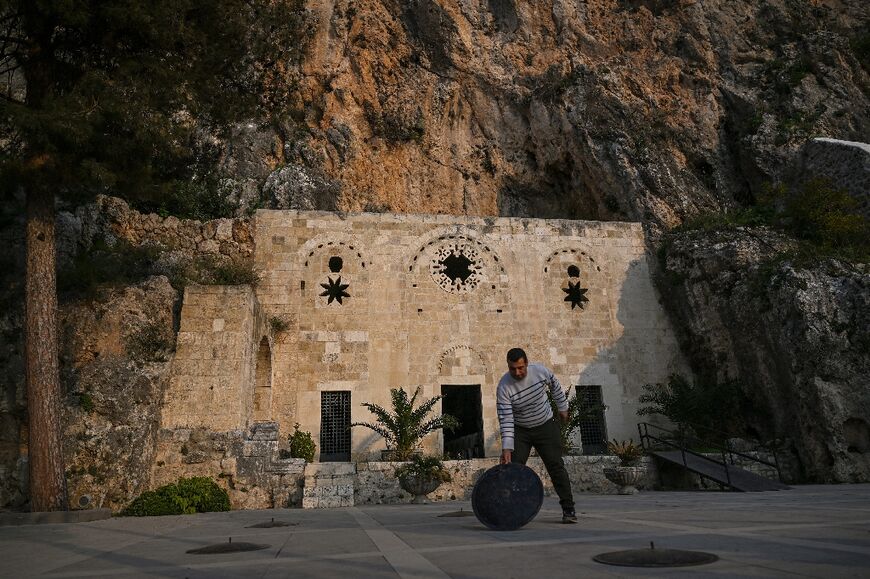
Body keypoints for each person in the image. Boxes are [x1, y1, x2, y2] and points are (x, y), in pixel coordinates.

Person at [496, 347, 577, 523]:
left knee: (556, 466)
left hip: (545, 426)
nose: (517, 373)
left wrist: (563, 407)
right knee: (513, 469)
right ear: (508, 366)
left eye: (520, 368)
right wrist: (507, 447)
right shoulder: (504, 387)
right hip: (521, 430)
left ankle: (568, 509)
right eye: (512, 369)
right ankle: (511, 511)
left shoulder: (540, 372)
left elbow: (555, 386)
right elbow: (506, 418)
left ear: (527, 363)